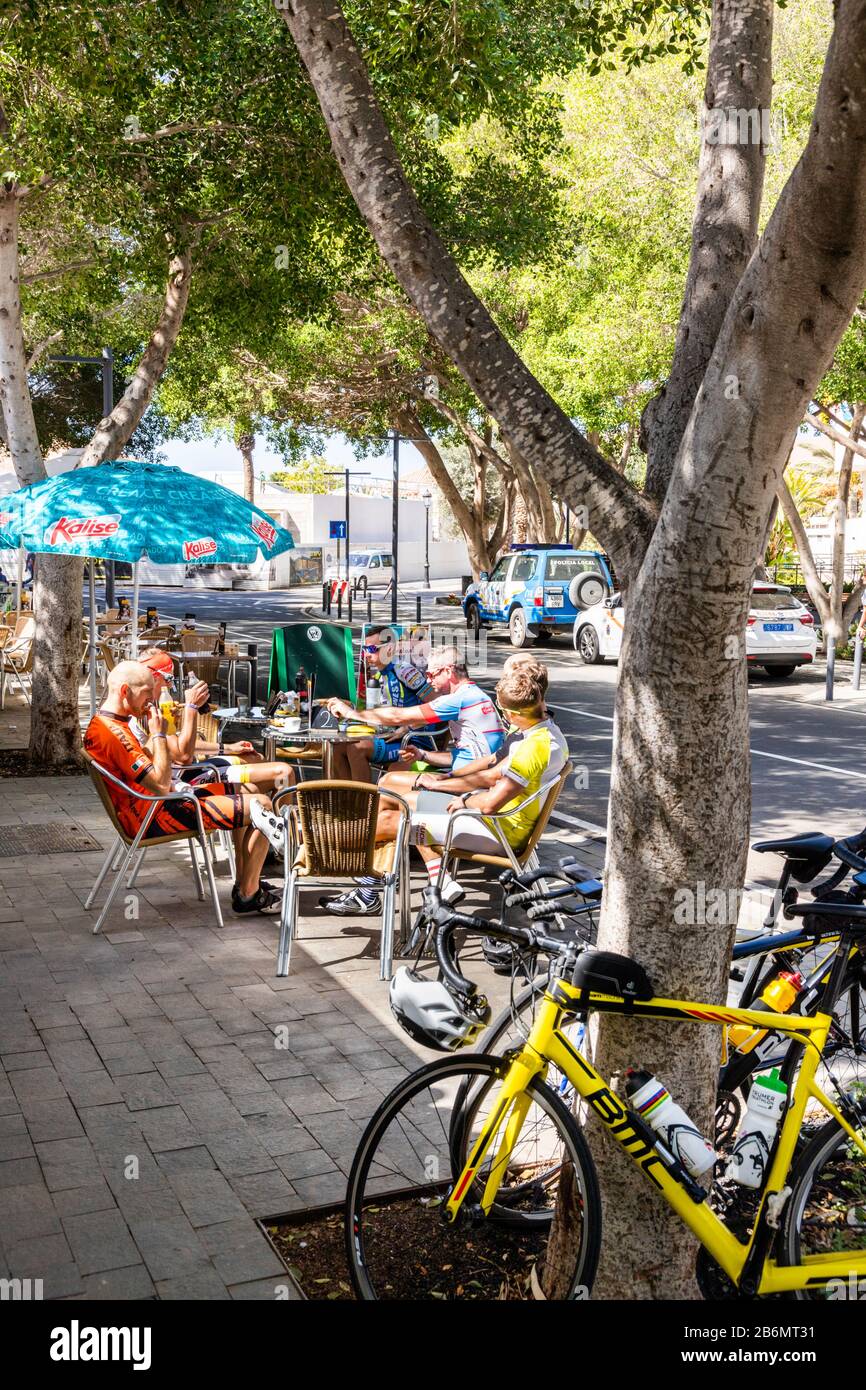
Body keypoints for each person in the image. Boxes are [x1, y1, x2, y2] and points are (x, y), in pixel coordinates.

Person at [322, 666, 565, 915]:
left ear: (513, 715)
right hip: (499, 820)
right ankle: (422, 881)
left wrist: (464, 801)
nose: (500, 715)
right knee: (396, 805)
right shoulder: (544, 735)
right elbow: (492, 769)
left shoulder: (532, 748)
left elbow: (492, 800)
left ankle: (326, 847)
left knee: (392, 817)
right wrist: (444, 781)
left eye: (502, 711)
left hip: (498, 828)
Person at [84, 661, 283, 915]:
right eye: (147, 692)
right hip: (154, 814)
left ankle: (246, 884)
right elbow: (160, 783)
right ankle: (248, 894)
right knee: (262, 805)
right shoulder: (115, 734)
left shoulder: (108, 722)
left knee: (247, 792)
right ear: (125, 691)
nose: (151, 699)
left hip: (156, 804)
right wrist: (157, 734)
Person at [327, 644, 504, 779]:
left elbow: (398, 716)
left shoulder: (457, 699)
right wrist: (423, 755)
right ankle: (351, 808)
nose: (428, 680)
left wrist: (350, 713)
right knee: (390, 771)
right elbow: (462, 755)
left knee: (387, 783)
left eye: (431, 674)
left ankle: (363, 815)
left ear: (448, 671)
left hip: (475, 777)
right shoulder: (472, 694)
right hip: (476, 769)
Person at [136, 649, 293, 796]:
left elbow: (173, 745)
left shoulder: (154, 706)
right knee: (282, 774)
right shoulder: (146, 711)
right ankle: (278, 820)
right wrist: (191, 707)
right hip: (182, 780)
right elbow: (183, 756)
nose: (171, 685)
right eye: (168, 678)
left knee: (256, 758)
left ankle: (267, 818)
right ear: (153, 677)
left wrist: (227, 748)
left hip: (182, 772)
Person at [329, 627, 434, 783]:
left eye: (372, 649)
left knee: (357, 749)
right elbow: (374, 713)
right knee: (337, 749)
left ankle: (363, 803)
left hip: (413, 742)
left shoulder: (404, 671)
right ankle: (347, 800)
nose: (366, 654)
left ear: (389, 648)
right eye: (365, 649)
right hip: (388, 737)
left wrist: (406, 728)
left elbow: (435, 705)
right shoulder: (378, 676)